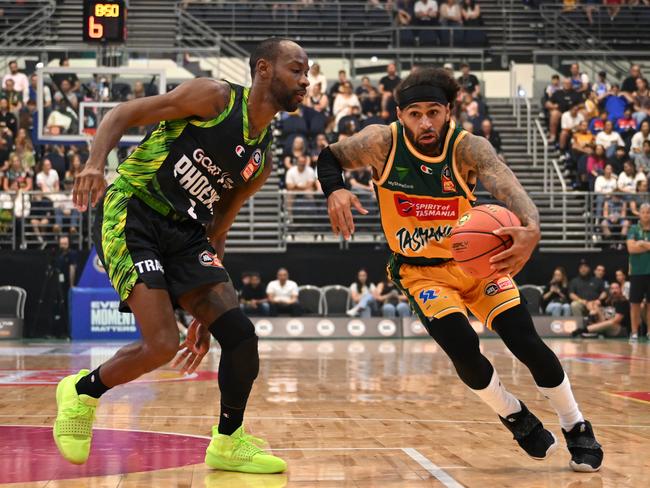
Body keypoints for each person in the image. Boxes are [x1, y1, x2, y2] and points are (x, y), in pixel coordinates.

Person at [316, 67, 603, 472]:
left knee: (526, 343)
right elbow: (329, 155)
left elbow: (508, 185)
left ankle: (575, 424)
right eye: (415, 114)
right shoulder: (381, 143)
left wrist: (532, 228)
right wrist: (335, 189)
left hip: (476, 265)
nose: (425, 122)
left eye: (433, 112)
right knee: (463, 350)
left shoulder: (468, 148)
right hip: (421, 272)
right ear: (401, 115)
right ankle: (514, 415)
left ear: (449, 110)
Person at [54, 37, 309, 473]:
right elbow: (123, 113)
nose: (305, 82)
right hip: (134, 211)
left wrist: (206, 309)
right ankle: (82, 392)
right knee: (161, 345)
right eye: (297, 70)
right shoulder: (214, 98)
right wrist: (96, 162)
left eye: (307, 74)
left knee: (241, 336)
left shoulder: (261, 156)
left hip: (188, 235)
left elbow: (220, 226)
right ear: (264, 69)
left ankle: (227, 442)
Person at [626, 202, 650, 342]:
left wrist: (641, 243)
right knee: (635, 303)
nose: (646, 215)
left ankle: (649, 332)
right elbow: (631, 249)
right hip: (636, 272)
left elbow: (637, 246)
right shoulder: (633, 229)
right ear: (639, 214)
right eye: (644, 212)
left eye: (648, 212)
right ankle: (634, 332)